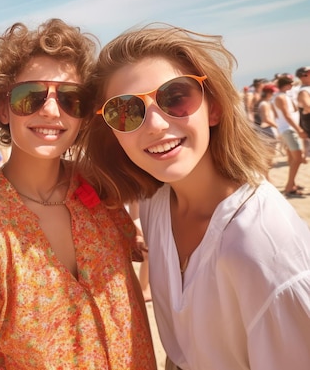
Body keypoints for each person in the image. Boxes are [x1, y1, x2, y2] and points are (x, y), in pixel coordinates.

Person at [0, 18, 156, 369]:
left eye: (71, 99)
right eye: (31, 97)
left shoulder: (104, 189)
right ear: (3, 108)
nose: (51, 111)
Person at [88, 23, 310, 370]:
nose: (156, 124)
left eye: (176, 98)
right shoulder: (155, 203)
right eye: (127, 112)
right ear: (113, 131)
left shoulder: (262, 244)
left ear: (215, 108)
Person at [273, 75, 307, 197]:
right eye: (290, 84)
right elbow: (287, 115)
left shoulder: (280, 96)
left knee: (293, 159)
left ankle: (292, 184)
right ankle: (289, 186)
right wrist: (298, 129)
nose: (292, 86)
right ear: (285, 85)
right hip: (289, 130)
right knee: (298, 159)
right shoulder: (281, 97)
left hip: (287, 130)